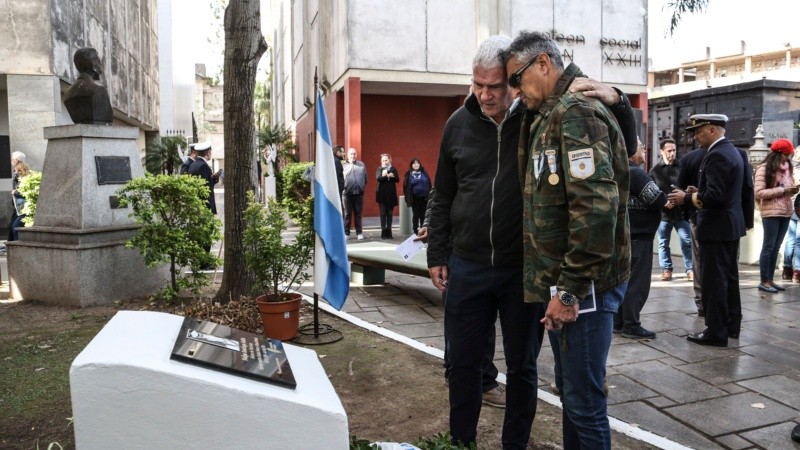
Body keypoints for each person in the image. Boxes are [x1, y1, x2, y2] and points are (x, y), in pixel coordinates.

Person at [503, 31, 630, 449]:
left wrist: (571, 292)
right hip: (568, 283)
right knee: (573, 395)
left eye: (515, 79)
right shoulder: (549, 111)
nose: (514, 92)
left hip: (583, 288)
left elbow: (595, 210)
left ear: (542, 63)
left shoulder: (574, 111)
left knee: (584, 402)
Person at [417, 188, 505, 409]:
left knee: (480, 322)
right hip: (458, 253)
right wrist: (430, 225)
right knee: (462, 323)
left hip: (484, 250)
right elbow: (439, 195)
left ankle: (473, 376)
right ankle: (478, 381)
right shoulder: (456, 154)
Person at [669, 114, 745, 347]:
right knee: (729, 278)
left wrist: (687, 197)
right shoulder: (732, 151)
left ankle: (716, 332)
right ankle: (731, 326)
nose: (694, 137)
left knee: (714, 282)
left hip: (716, 227)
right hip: (729, 226)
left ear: (712, 130)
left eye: (698, 131)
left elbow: (715, 197)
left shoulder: (718, 154)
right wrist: (696, 191)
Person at [615, 139, 668, 339]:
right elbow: (658, 199)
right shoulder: (635, 172)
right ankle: (631, 324)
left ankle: (619, 321)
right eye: (640, 145)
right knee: (637, 283)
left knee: (623, 281)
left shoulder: (617, 169)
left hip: (625, 235)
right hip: (639, 236)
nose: (644, 149)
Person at [753, 138, 798, 293]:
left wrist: (793, 189)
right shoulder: (764, 168)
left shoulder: (787, 168)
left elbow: (786, 187)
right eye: (787, 154)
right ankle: (764, 281)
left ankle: (770, 279)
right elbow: (758, 192)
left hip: (786, 212)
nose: (789, 158)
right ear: (779, 154)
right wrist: (783, 190)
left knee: (776, 247)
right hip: (771, 213)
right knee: (769, 246)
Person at [649, 138, 694, 281]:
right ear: (662, 152)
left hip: (681, 212)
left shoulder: (682, 167)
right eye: (669, 151)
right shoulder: (654, 171)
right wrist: (663, 202)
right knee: (663, 243)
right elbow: (652, 191)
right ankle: (666, 269)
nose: (672, 153)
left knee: (687, 241)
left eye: (674, 150)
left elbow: (689, 186)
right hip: (664, 214)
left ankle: (690, 269)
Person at [62, 47, 113, 125]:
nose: (100, 63)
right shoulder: (99, 91)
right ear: (92, 65)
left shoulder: (67, 95)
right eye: (97, 58)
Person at [188, 141, 221, 255]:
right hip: (204, 206)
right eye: (210, 151)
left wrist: (214, 178)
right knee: (206, 234)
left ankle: (201, 260)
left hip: (198, 206)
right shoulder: (202, 166)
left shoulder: (194, 164)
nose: (211, 153)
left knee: (201, 233)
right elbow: (205, 189)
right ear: (207, 152)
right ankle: (203, 261)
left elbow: (205, 183)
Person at [781, 147, 800, 283]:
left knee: (791, 239)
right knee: (798, 241)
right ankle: (797, 272)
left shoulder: (790, 170)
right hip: (798, 206)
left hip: (791, 206)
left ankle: (787, 269)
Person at [342, 147, 367, 240]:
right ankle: (346, 233)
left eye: (354, 154)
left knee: (358, 214)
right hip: (347, 194)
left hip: (359, 194)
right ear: (347, 156)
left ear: (356, 155)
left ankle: (359, 233)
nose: (353, 156)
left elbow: (365, 178)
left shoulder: (361, 165)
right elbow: (340, 179)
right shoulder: (343, 165)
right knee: (347, 214)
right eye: (351, 154)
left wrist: (362, 187)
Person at [402, 158, 432, 235]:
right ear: (411, 165)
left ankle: (422, 230)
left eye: (417, 163)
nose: (416, 165)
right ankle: (415, 230)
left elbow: (429, 182)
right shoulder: (408, 174)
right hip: (414, 198)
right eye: (414, 163)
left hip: (424, 198)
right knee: (416, 215)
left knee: (423, 214)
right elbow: (405, 186)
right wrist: (407, 197)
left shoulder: (424, 172)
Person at [375, 153, 399, 239]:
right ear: (381, 161)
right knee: (383, 213)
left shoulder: (393, 168)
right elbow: (378, 178)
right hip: (381, 195)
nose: (385, 162)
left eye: (386, 160)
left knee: (390, 214)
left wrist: (391, 176)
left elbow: (397, 179)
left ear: (389, 160)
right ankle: (383, 231)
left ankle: (389, 231)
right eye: (383, 160)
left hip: (391, 195)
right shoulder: (379, 169)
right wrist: (387, 176)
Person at [9, 161, 32, 241]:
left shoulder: (28, 180)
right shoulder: (18, 180)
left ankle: (17, 246)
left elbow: (27, 193)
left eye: (19, 170)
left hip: (25, 210)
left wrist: (16, 193)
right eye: (15, 171)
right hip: (19, 209)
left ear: (25, 170)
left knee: (16, 227)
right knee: (12, 226)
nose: (17, 173)